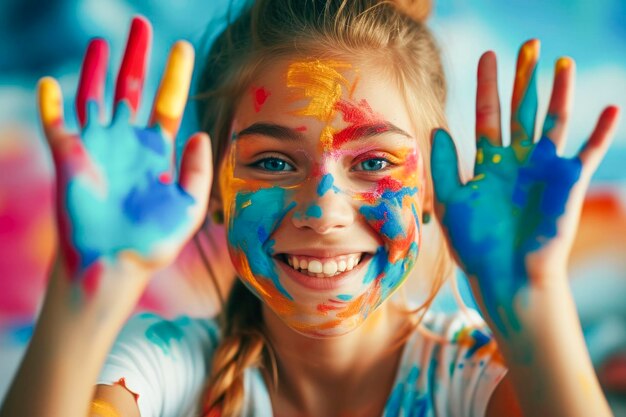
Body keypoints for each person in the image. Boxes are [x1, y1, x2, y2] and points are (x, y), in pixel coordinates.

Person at [0, 0, 621, 416]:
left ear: (431, 191)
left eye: (374, 163)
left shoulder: (474, 377)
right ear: (216, 191)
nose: (322, 209)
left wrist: (532, 302)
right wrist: (86, 289)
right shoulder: (161, 367)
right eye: (272, 162)